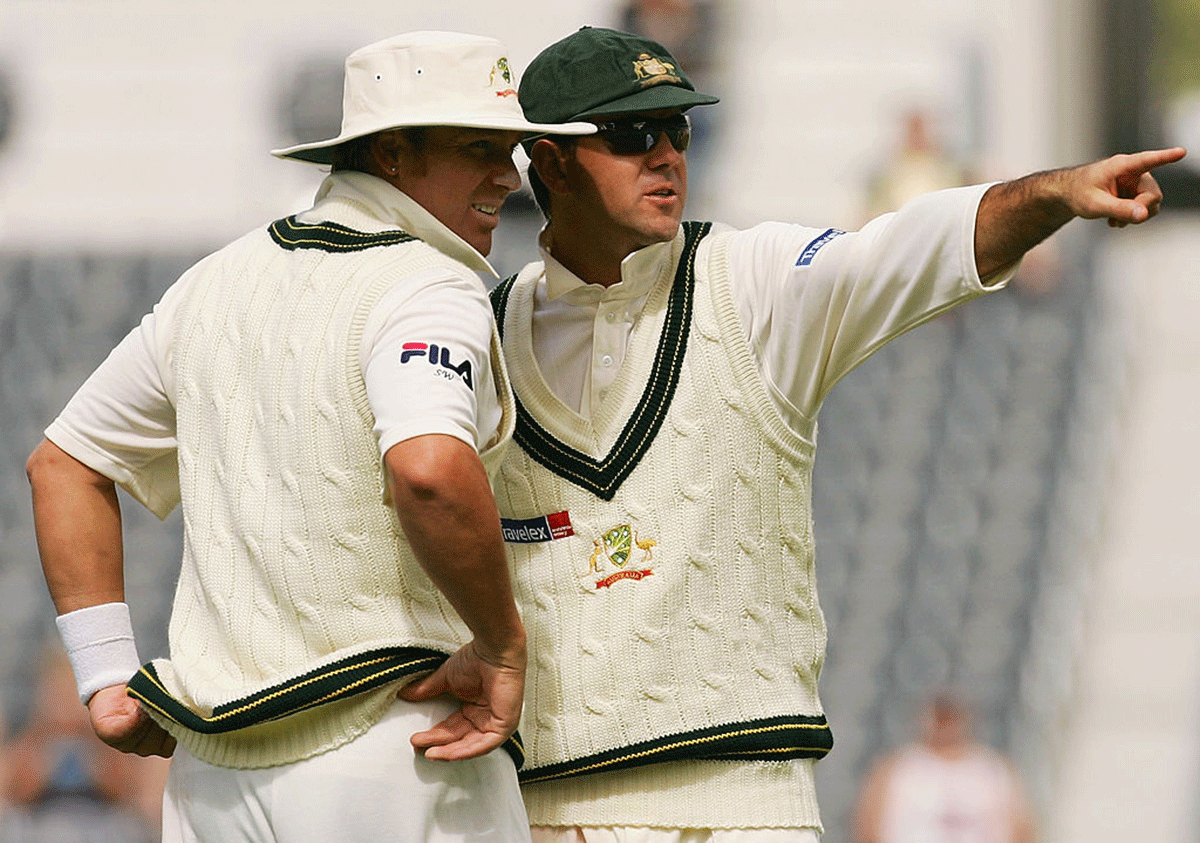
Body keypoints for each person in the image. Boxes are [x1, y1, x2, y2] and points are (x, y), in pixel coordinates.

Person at [399, 24, 1185, 842]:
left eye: (680, 128)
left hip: (747, 811)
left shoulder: (755, 279)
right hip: (542, 811)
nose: (667, 154)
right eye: (634, 133)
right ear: (550, 162)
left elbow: (908, 249)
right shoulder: (475, 332)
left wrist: (1053, 193)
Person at [25, 30, 592, 843]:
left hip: (214, 773)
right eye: (480, 148)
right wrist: (501, 647)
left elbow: (63, 463)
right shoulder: (429, 285)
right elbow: (429, 469)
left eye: (510, 149)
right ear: (392, 154)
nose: (510, 175)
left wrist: (106, 674)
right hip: (395, 743)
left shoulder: (214, 282)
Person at [0, 641, 168, 843]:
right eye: (58, 692)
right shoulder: (35, 737)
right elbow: (17, 794)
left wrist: (96, 749)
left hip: (100, 824)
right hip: (45, 824)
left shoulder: (108, 740)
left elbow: (127, 793)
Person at [851, 691, 1035, 843]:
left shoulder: (993, 770)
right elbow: (868, 827)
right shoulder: (896, 769)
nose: (945, 727)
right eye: (939, 719)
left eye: (951, 719)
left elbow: (1021, 830)